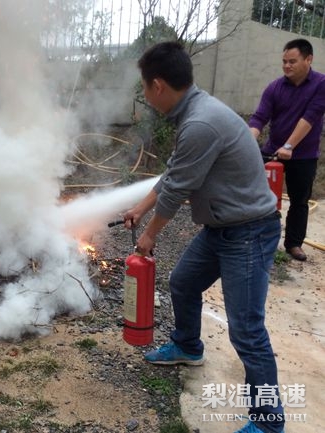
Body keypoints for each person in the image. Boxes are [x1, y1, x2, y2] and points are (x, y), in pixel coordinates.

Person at [123, 42, 285, 433]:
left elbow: (178, 189)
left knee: (246, 328)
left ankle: (269, 422)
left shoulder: (200, 123)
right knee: (183, 282)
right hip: (223, 228)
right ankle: (188, 346)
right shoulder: (194, 113)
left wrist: (149, 234)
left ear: (158, 85)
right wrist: (140, 209)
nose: (145, 96)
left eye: (144, 87)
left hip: (248, 232)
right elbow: (174, 174)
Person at [249, 38, 325, 262]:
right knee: (258, 195)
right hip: (273, 152)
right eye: (284, 61)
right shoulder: (275, 87)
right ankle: (255, 237)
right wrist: (248, 139)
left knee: (299, 200)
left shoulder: (320, 84)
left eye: (292, 61)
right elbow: (259, 117)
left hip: (303, 155)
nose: (286, 66)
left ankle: (293, 244)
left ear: (308, 59)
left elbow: (310, 118)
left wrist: (289, 146)